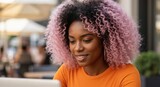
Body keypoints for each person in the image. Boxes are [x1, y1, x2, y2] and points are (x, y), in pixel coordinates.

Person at [46, 0, 141, 87]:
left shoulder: (126, 74)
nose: (77, 48)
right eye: (72, 41)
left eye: (87, 40)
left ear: (106, 40)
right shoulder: (67, 71)